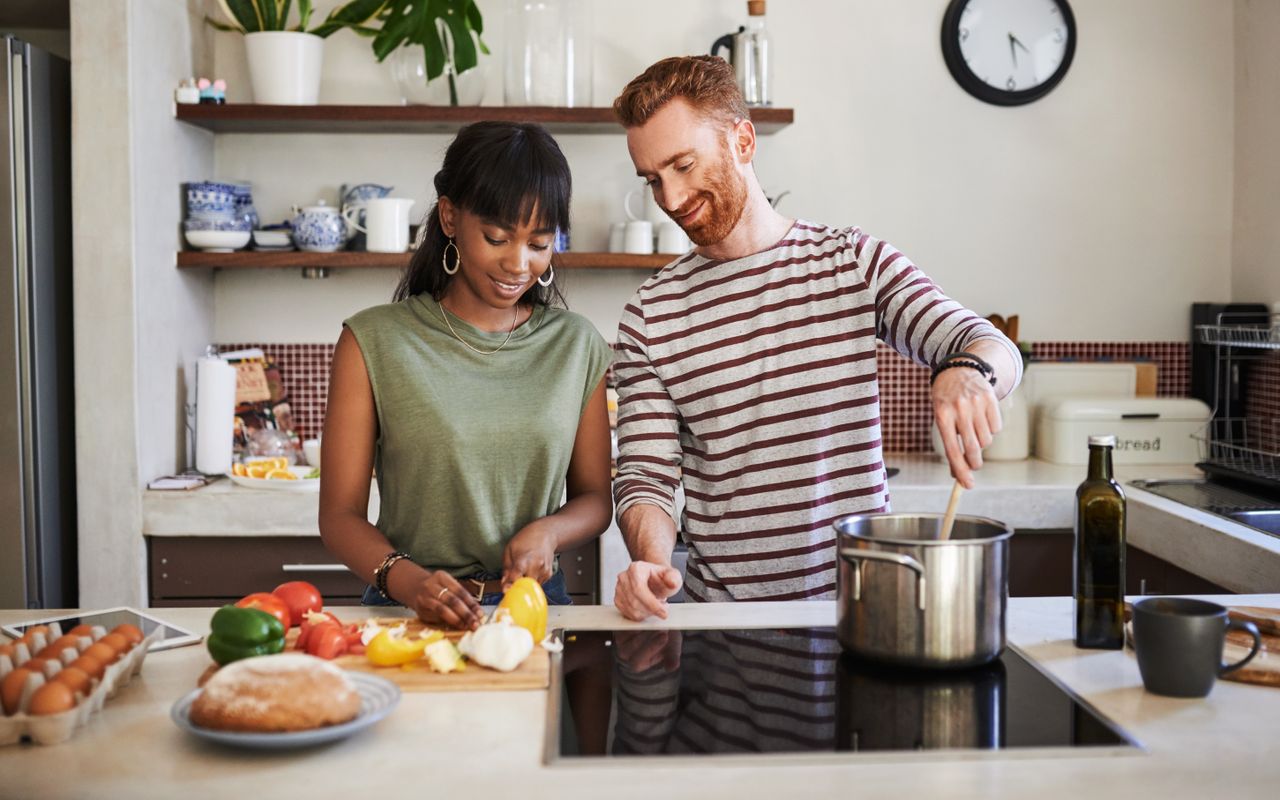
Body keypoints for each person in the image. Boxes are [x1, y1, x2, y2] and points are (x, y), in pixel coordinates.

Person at [609, 57, 1022, 621]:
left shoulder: (852, 262)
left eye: (683, 165)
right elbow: (645, 479)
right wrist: (652, 562)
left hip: (861, 618)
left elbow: (988, 342)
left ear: (743, 141)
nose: (672, 198)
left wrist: (969, 372)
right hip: (728, 631)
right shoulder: (651, 314)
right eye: (653, 179)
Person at [319, 121, 614, 630]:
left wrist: (549, 532)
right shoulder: (373, 341)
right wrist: (408, 581)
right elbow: (339, 517)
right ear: (450, 217)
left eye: (539, 243)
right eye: (497, 237)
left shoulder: (577, 345)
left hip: (534, 610)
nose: (518, 264)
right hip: (406, 612)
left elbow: (594, 499)